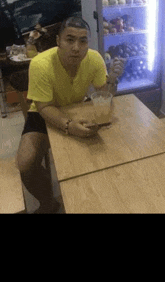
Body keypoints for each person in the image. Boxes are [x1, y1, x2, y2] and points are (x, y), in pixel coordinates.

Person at [16, 16, 125, 213]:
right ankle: (48, 202)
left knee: (104, 152)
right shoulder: (40, 64)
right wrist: (68, 126)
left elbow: (104, 96)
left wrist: (114, 79)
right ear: (58, 41)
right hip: (43, 113)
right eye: (70, 39)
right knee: (25, 163)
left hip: (77, 107)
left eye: (82, 41)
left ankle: (97, 200)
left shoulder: (94, 59)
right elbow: (44, 107)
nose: (76, 47)